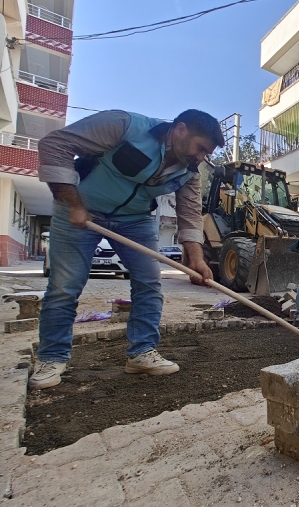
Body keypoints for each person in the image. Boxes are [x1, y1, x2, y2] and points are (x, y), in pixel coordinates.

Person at [30, 109, 224, 390]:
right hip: (80, 209)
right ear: (180, 129)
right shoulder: (125, 127)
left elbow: (190, 212)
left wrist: (196, 259)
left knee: (149, 283)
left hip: (135, 220)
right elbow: (54, 143)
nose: (200, 157)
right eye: (200, 148)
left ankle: (141, 353)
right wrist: (72, 202)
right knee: (65, 285)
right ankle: (52, 357)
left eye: (206, 153)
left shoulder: (189, 172)